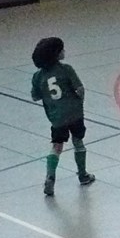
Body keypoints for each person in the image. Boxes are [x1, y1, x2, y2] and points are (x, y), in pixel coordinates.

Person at [31, 37, 96, 196]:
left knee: (57, 146)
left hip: (56, 118)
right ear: (56, 54)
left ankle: (50, 177)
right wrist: (79, 102)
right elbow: (80, 89)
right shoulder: (66, 69)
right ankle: (83, 175)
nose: (64, 51)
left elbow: (35, 96)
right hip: (75, 113)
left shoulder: (38, 77)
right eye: (62, 50)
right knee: (78, 142)